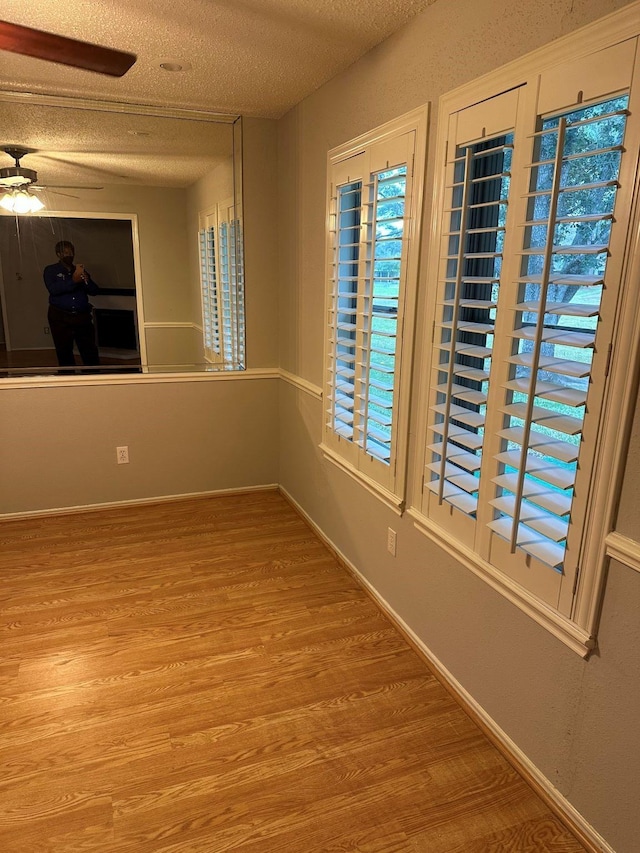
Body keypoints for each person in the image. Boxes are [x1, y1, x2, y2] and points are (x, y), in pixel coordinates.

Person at [43, 240, 100, 368]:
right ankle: (67, 378)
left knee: (89, 350)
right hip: (60, 317)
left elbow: (94, 291)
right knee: (64, 350)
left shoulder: (79, 271)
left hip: (82, 317)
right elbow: (54, 290)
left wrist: (86, 280)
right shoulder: (50, 270)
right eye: (65, 252)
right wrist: (73, 281)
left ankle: (93, 378)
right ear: (58, 254)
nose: (69, 255)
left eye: (71, 252)